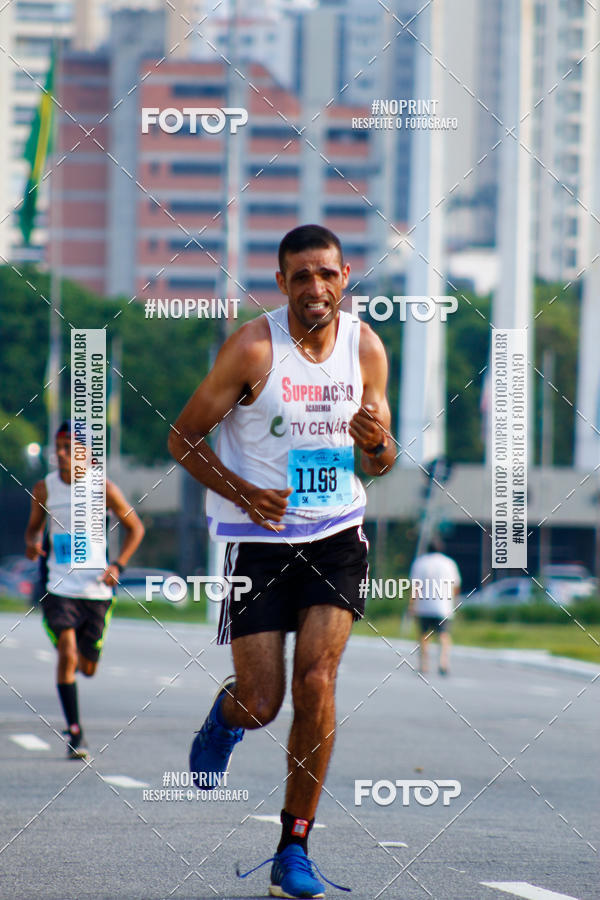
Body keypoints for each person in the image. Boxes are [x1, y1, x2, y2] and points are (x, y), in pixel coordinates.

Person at [168, 224, 396, 898]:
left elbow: (379, 464)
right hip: (257, 540)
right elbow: (182, 438)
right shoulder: (252, 348)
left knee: (318, 683)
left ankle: (292, 847)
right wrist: (245, 492)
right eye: (302, 276)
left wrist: (376, 442)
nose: (316, 288)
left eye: (327, 274)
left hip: (335, 534)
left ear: (345, 277)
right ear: (282, 284)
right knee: (264, 702)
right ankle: (226, 717)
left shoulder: (367, 349)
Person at [24, 420, 145, 759]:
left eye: (68, 448)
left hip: (95, 591)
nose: (60, 454)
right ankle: (75, 733)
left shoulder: (103, 488)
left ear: (86, 455)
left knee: (87, 668)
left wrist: (118, 564)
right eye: (58, 447)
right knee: (67, 652)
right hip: (58, 585)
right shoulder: (45, 489)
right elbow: (32, 531)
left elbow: (136, 528)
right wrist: (33, 544)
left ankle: (79, 661)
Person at [408, 542, 461, 676]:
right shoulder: (449, 563)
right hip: (443, 605)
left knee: (424, 635)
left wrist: (412, 604)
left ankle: (424, 665)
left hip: (424, 605)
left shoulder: (420, 563)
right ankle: (443, 663)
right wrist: (454, 602)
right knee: (444, 634)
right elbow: (456, 586)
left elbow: (415, 586)